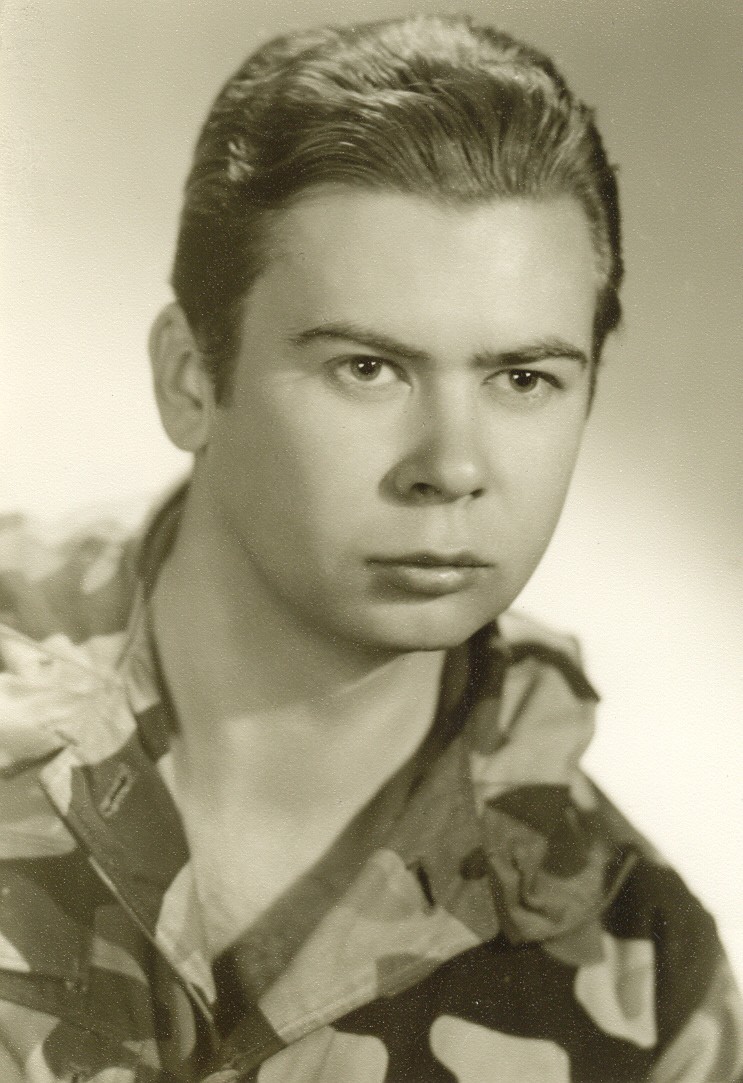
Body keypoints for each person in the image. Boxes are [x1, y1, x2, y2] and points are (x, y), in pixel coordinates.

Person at [0, 13, 740, 1082]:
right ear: (189, 378)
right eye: (366, 368)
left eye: (521, 378)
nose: (451, 465)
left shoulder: (645, 987)